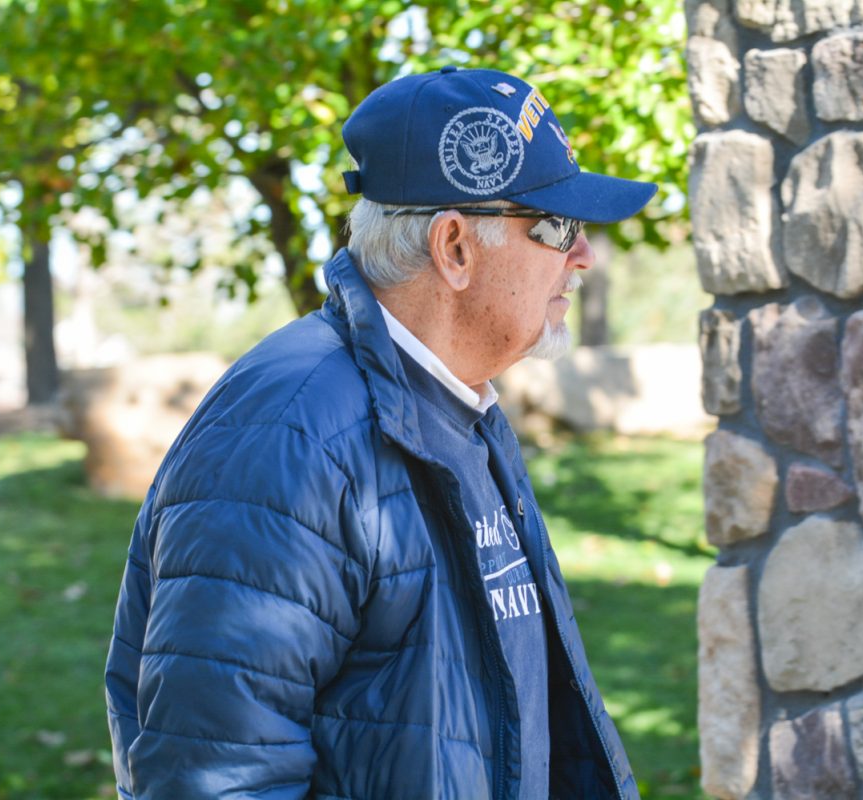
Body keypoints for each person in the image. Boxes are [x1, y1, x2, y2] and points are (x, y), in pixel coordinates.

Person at [105, 65, 656, 799]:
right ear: (455, 247)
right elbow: (214, 777)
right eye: (557, 227)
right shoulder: (289, 439)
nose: (583, 256)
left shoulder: (457, 405)